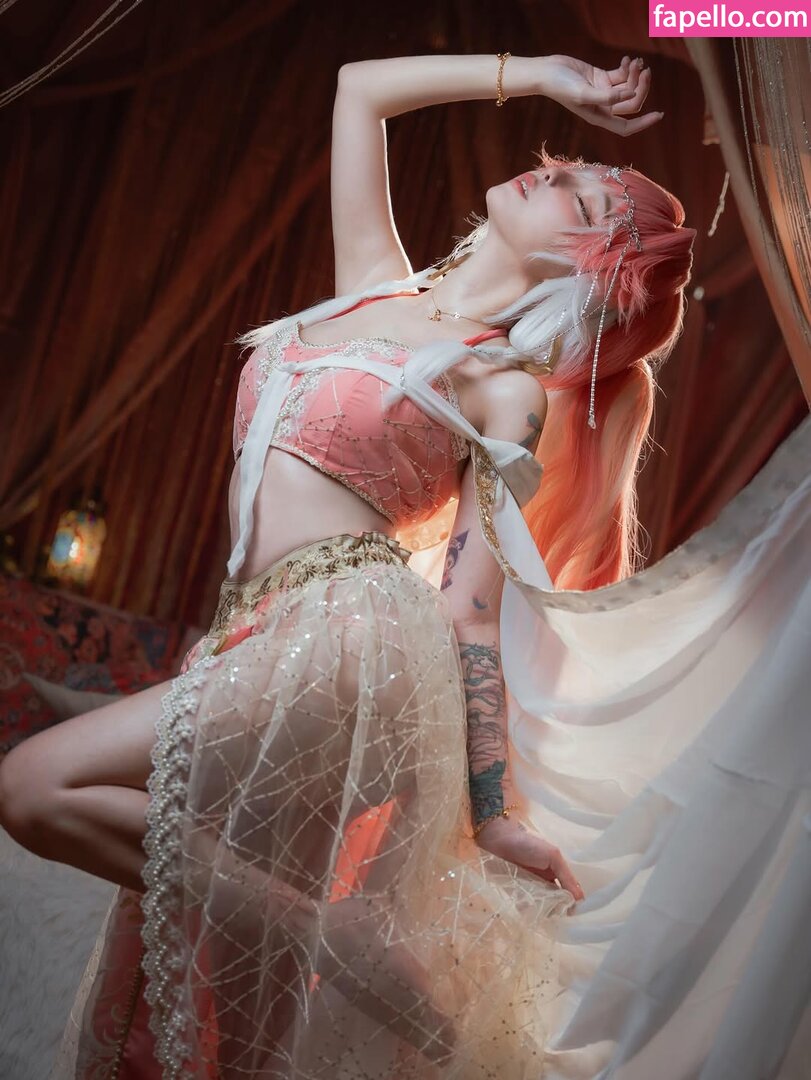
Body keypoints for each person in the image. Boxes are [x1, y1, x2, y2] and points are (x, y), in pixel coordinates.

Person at [0, 52, 699, 1077]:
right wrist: (545, 75)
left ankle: (343, 939)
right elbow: (358, 86)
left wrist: (490, 811)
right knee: (225, 993)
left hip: (350, 636)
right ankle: (326, 938)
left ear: (584, 270)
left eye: (583, 197)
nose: (555, 171)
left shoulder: (502, 385)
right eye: (569, 164)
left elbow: (469, 608)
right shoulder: (373, 289)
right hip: (254, 626)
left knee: (34, 784)